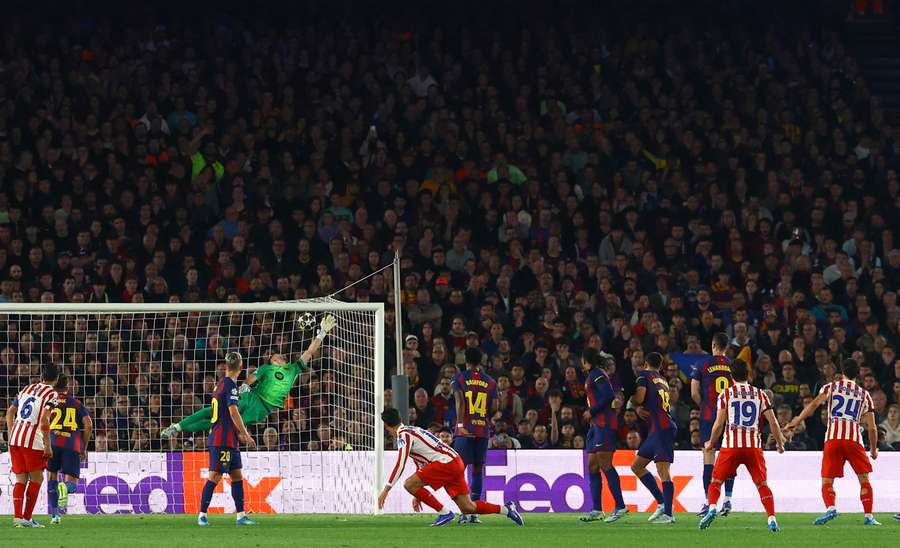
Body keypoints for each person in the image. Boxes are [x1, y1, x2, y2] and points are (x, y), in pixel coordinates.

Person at [162, 314, 336, 439]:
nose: (280, 356)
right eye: (276, 356)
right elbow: (251, 378)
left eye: (281, 356)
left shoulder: (293, 369)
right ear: (272, 360)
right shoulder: (266, 368)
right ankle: (177, 426)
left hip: (263, 408)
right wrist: (244, 387)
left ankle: (180, 429)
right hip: (251, 397)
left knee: (221, 422)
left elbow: (309, 352)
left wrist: (322, 333)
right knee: (214, 411)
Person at [376, 407, 523, 527]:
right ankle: (507, 509)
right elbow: (421, 462)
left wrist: (386, 490)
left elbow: (400, 463)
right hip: (455, 461)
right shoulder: (412, 430)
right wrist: (418, 493)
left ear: (386, 425)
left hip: (445, 463)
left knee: (408, 484)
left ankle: (444, 513)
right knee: (467, 507)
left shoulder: (403, 435)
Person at [785, 359, 881, 526]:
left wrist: (796, 421)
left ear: (842, 372)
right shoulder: (864, 395)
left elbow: (814, 405)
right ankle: (868, 516)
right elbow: (872, 428)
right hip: (854, 440)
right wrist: (873, 450)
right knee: (864, 479)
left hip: (833, 439)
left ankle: (831, 508)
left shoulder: (831, 387)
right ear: (858, 374)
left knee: (827, 480)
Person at [698, 358, 784, 532]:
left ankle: (712, 507)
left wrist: (711, 443)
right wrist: (779, 443)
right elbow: (773, 422)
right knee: (762, 484)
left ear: (731, 376)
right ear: (748, 374)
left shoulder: (726, 394)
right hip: (753, 447)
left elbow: (719, 424)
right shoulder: (760, 394)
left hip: (731, 446)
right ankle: (771, 518)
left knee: (716, 481)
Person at [197, 352, 258, 526]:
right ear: (241, 366)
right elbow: (233, 411)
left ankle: (241, 515)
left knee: (237, 476)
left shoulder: (221, 384)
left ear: (226, 365)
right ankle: (202, 515)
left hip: (229, 440)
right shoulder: (230, 385)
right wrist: (245, 433)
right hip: (222, 440)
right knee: (215, 476)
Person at [5, 363, 60, 527]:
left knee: (20, 479)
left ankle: (18, 518)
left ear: (41, 376)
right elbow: (44, 420)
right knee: (37, 478)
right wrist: (47, 445)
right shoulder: (52, 394)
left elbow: (10, 412)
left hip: (15, 439)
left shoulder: (26, 389)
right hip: (33, 442)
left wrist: (11, 434)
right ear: (56, 379)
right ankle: (27, 518)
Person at [579, 348, 628, 523]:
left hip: (604, 423)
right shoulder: (592, 374)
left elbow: (608, 395)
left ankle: (620, 506)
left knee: (605, 464)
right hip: (596, 425)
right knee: (592, 465)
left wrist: (591, 411)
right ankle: (597, 510)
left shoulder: (597, 374)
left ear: (586, 360)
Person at [451, 347, 498, 524]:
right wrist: (483, 418)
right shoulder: (491, 381)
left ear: (466, 360)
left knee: (458, 471)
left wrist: (461, 425)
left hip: (465, 431)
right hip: (482, 430)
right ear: (480, 361)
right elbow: (495, 407)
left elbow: (460, 402)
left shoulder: (459, 378)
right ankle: (474, 512)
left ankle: (464, 511)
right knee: (478, 469)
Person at [691, 333, 736, 516]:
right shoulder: (733, 365)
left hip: (709, 415)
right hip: (730, 416)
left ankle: (709, 503)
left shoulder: (702, 364)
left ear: (713, 345)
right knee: (729, 458)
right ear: (727, 347)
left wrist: (704, 406)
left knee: (708, 457)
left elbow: (694, 392)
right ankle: (727, 500)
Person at [630, 352, 677, 524]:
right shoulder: (662, 380)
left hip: (661, 429)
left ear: (645, 364)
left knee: (663, 471)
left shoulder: (644, 375)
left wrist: (633, 403)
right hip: (657, 429)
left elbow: (640, 397)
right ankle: (662, 503)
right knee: (637, 466)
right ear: (660, 365)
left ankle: (669, 514)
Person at [47, 374, 93, 524]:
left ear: (53, 386)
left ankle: (55, 516)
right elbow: (88, 425)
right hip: (71, 443)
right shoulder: (76, 403)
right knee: (72, 485)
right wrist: (83, 447)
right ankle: (65, 488)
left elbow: (42, 421)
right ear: (67, 387)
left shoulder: (50, 402)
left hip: (52, 441)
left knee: (51, 477)